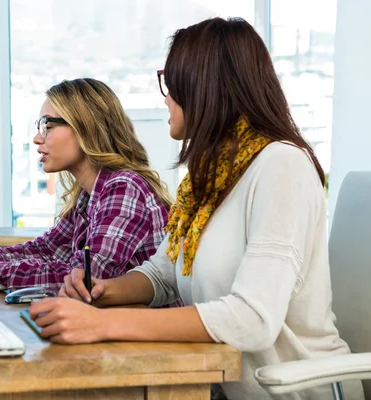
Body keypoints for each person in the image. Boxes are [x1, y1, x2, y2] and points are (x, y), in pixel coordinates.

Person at [29, 18, 364, 400]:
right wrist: (103, 292)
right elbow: (165, 271)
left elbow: (252, 319)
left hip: (298, 393)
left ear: (204, 86)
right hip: (223, 386)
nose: (166, 96)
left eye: (171, 82)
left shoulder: (281, 167)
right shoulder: (208, 177)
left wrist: (103, 325)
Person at [0, 78, 172, 290]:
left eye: (47, 127)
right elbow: (45, 250)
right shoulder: (90, 195)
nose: (37, 138)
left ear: (84, 128)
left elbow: (85, 279)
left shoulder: (124, 188)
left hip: (147, 334)